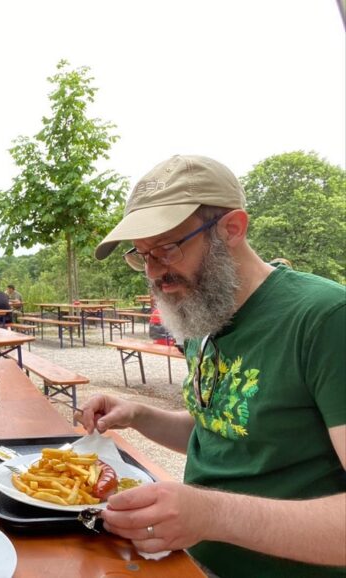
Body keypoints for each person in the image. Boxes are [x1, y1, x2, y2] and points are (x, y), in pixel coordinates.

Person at [78, 155, 345, 577]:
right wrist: (140, 415)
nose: (155, 274)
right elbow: (229, 434)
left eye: (167, 248)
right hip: (186, 562)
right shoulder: (202, 314)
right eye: (143, 256)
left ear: (232, 229)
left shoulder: (326, 319)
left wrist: (210, 515)